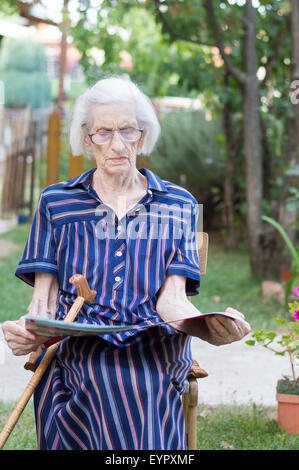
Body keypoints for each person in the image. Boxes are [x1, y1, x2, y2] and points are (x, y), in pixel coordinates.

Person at [2, 77, 251, 450]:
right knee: (98, 381)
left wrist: (212, 326)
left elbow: (173, 301)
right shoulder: (57, 203)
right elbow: (44, 301)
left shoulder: (177, 204)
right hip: (80, 345)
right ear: (86, 140)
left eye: (127, 130)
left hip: (152, 344)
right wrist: (27, 332)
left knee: (137, 385)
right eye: (103, 133)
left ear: (142, 134)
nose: (117, 144)